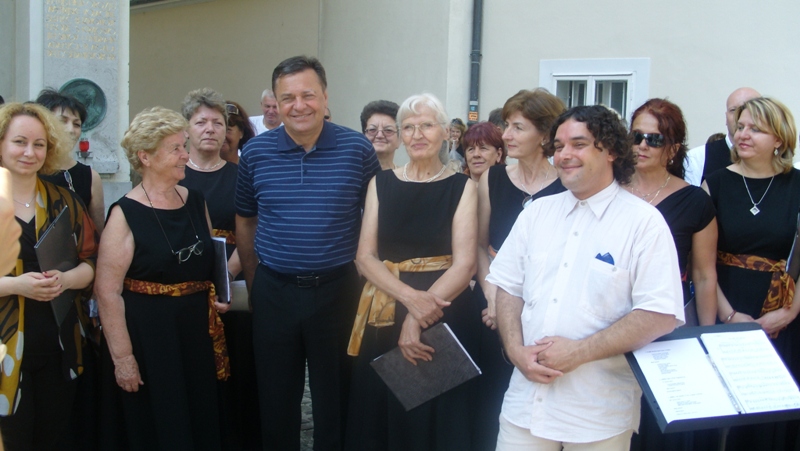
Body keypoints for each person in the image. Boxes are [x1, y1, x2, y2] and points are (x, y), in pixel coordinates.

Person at [488, 105, 684, 450]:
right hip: (525, 405)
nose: (564, 155)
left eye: (578, 144)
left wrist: (578, 352)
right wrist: (515, 350)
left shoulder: (644, 223)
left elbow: (659, 314)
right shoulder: (536, 213)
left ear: (610, 150)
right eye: (558, 146)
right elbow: (508, 288)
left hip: (597, 413)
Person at [236, 55, 380, 450]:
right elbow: (245, 221)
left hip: (339, 292)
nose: (298, 106)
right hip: (274, 291)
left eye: (308, 95)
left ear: (325, 97)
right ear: (276, 102)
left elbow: (375, 218)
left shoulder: (357, 150)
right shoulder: (255, 153)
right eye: (288, 98)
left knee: (336, 400)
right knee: (276, 400)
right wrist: (255, 280)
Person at [344, 93, 478, 451]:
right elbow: (365, 257)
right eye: (408, 127)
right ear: (401, 136)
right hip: (385, 308)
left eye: (427, 125)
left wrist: (417, 318)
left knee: (433, 415)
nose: (417, 135)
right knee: (381, 412)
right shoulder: (380, 183)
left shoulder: (463, 187)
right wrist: (409, 301)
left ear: (446, 132)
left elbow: (465, 264)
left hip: (443, 309)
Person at [96, 106, 230, 450]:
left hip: (196, 332)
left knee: (199, 414)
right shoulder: (125, 213)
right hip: (150, 338)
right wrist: (123, 359)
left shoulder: (195, 200)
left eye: (184, 146)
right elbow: (107, 292)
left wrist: (220, 294)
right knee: (161, 419)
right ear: (146, 157)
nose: (186, 154)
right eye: (176, 149)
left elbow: (208, 259)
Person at [703, 97, 800, 451]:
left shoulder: (797, 185)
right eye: (741, 126)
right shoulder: (715, 184)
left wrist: (788, 312)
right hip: (725, 303)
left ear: (779, 139)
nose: (743, 134)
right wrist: (728, 315)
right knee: (722, 416)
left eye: (755, 129)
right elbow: (702, 263)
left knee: (773, 419)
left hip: (782, 312)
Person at [0, 102, 99, 449]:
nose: (30, 152)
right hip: (5, 352)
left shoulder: (65, 201)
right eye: (19, 142)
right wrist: (16, 285)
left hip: (58, 349)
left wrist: (67, 280)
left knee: (54, 440)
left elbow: (91, 262)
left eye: (39, 144)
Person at [474, 88, 566, 451]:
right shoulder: (493, 179)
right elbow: (480, 245)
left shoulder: (565, 185)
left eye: (517, 127)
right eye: (506, 126)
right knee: (489, 400)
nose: (506, 135)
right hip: (490, 306)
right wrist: (492, 298)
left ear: (544, 135)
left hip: (544, 311)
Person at [626, 99, 718, 451]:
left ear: (674, 148)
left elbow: (704, 275)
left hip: (665, 323)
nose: (642, 145)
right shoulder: (608, 189)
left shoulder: (695, 201)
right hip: (606, 317)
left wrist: (707, 340)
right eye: (636, 136)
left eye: (654, 139)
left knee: (656, 424)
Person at [178, 89, 259, 450]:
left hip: (234, 288)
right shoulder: (173, 177)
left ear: (228, 130)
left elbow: (252, 230)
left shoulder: (241, 176)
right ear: (186, 129)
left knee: (240, 375)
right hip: (186, 290)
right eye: (201, 122)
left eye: (217, 123)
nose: (210, 129)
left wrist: (223, 274)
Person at [35, 88, 106, 235]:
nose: (71, 130)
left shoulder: (90, 177)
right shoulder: (28, 169)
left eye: (76, 124)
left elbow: (97, 235)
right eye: (63, 121)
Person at [684, 87, 760, 186]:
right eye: (733, 110)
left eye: (750, 109)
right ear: (726, 117)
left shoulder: (775, 160)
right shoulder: (697, 157)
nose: (740, 116)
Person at [360, 100, 400, 170]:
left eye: (388, 130)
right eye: (372, 130)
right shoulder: (353, 174)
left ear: (400, 139)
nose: (379, 135)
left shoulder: (405, 176)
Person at [220, 100, 256, 164]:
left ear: (241, 133)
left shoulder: (249, 168)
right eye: (218, 129)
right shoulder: (202, 168)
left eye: (228, 130)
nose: (223, 136)